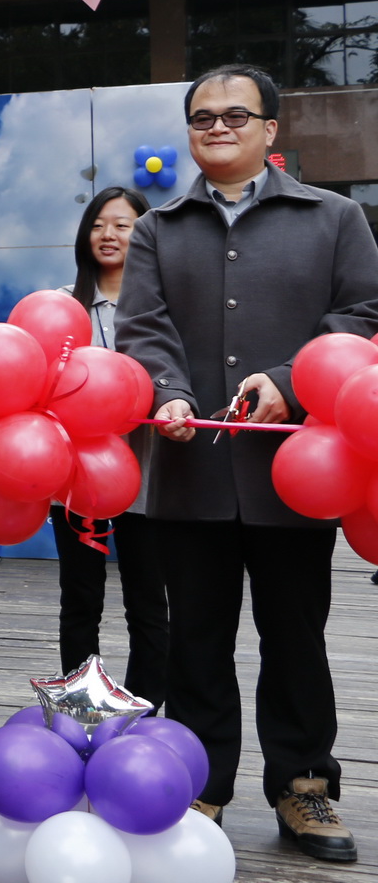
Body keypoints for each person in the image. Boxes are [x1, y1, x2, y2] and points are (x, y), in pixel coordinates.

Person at [118, 65, 378, 861]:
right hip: (189, 469)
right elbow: (143, 326)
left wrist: (295, 381)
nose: (218, 127)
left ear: (272, 129)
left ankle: (305, 789)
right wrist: (166, 391)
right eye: (202, 117)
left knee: (295, 636)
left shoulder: (335, 219)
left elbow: (363, 313)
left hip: (297, 471)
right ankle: (201, 788)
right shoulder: (159, 227)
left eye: (237, 115)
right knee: (194, 639)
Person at [51, 188, 168, 708]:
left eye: (123, 225)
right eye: (99, 224)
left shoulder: (163, 311)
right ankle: (83, 704)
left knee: (147, 600)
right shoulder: (60, 307)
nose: (109, 235)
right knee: (80, 598)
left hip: (148, 472)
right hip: (77, 479)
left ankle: (144, 708)